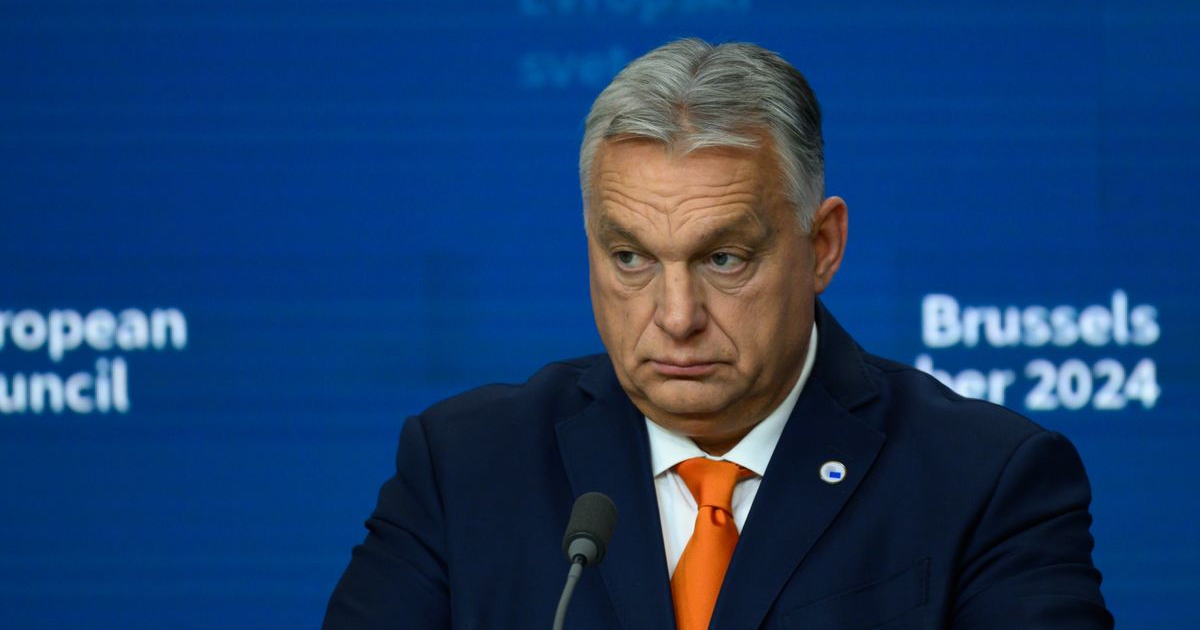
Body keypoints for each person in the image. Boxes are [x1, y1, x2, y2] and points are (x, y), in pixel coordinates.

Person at [323, 38, 1112, 629]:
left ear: (822, 247)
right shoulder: (464, 467)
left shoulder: (986, 482)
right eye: (630, 256)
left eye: (724, 257)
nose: (674, 315)